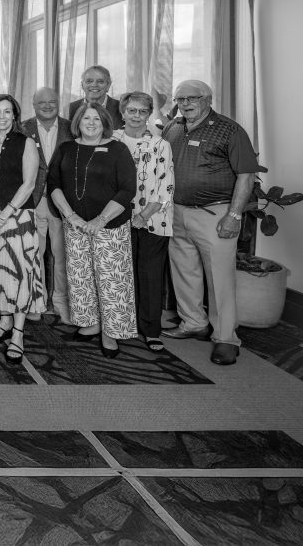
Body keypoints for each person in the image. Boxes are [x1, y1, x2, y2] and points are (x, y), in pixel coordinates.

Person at [161, 80, 262, 366]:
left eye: (192, 98)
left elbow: (246, 176)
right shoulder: (173, 128)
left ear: (208, 99)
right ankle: (193, 323)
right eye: (180, 99)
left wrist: (234, 215)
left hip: (215, 214)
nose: (186, 104)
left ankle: (226, 338)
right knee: (184, 271)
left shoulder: (230, 130)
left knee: (220, 278)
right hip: (177, 211)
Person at [48, 102, 138, 357]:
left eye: (96, 119)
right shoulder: (66, 149)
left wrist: (100, 220)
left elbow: (127, 189)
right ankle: (92, 323)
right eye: (86, 118)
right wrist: (71, 216)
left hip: (110, 226)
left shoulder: (118, 149)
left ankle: (111, 332)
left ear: (104, 123)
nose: (90, 123)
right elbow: (54, 184)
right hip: (75, 226)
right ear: (78, 122)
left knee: (112, 281)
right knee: (81, 278)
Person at [0, 94, 46, 363]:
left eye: (7, 112)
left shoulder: (26, 142)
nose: (1, 117)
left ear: (15, 115)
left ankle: (18, 333)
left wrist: (6, 212)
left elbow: (29, 183)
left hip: (18, 218)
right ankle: (4, 320)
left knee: (20, 274)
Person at [115, 91, 174, 352]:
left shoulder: (160, 144)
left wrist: (142, 216)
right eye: (132, 110)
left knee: (149, 275)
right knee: (121, 274)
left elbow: (166, 187)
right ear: (123, 112)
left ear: (149, 114)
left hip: (153, 220)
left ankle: (151, 331)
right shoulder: (112, 140)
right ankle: (122, 325)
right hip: (116, 219)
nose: (136, 116)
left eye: (142, 111)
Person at [20, 86, 73, 324]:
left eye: (52, 101)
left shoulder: (71, 127)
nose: (48, 106)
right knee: (35, 254)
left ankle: (61, 302)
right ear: (34, 105)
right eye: (42, 103)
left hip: (65, 202)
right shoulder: (22, 128)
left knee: (62, 255)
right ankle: (37, 301)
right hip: (35, 200)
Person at [68, 65, 123, 130]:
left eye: (100, 81)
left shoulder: (122, 109)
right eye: (89, 81)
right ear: (82, 85)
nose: (94, 85)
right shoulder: (70, 109)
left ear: (108, 85)